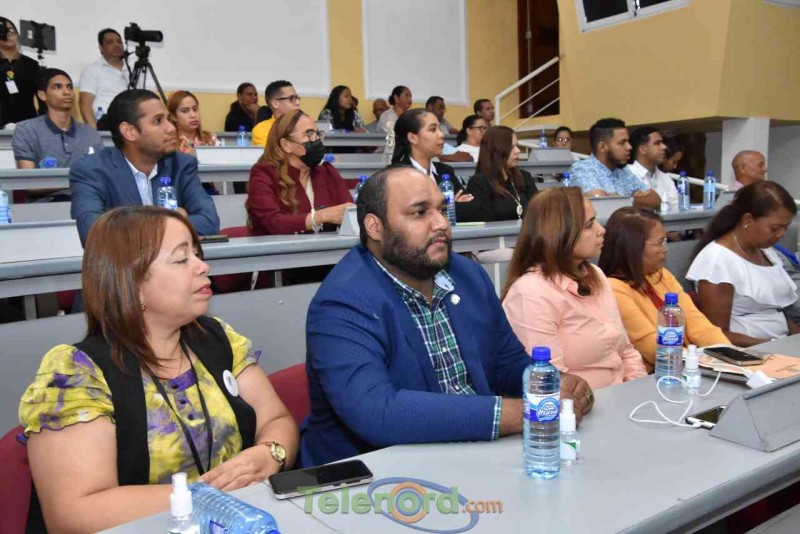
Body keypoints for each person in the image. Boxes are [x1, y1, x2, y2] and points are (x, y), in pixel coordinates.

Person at [19, 206, 298, 533]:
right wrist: (205, 497)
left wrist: (270, 454)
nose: (203, 266)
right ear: (133, 283)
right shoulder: (77, 372)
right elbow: (74, 513)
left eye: (197, 254)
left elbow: (276, 419)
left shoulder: (217, 339)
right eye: (181, 259)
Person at [301, 166, 594, 467]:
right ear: (375, 227)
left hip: (474, 456)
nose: (441, 223)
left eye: (442, 210)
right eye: (419, 213)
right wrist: (530, 411)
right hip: (379, 473)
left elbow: (506, 365)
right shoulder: (342, 302)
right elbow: (377, 412)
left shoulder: (467, 276)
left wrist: (551, 385)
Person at [502, 187, 647, 389]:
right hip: (580, 405)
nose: (601, 230)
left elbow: (626, 351)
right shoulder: (531, 292)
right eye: (589, 225)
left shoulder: (595, 275)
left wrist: (638, 391)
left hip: (622, 396)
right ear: (558, 234)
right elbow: (550, 383)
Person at [70, 89, 220, 245]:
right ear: (130, 132)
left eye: (169, 119)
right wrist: (170, 221)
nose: (171, 128)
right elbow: (91, 232)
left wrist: (132, 225)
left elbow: (209, 222)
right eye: (158, 121)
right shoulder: (92, 170)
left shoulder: (181, 165)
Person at [598, 207, 729, 371]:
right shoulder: (614, 289)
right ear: (634, 247)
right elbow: (653, 348)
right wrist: (701, 361)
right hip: (657, 373)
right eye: (660, 242)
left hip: (690, 363)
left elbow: (699, 325)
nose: (665, 249)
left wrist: (731, 356)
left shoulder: (661, 275)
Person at [687, 181, 799, 346]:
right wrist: (774, 345)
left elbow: (776, 311)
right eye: (775, 228)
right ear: (747, 219)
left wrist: (794, 341)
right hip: (747, 351)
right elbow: (716, 334)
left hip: (778, 343)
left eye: (785, 228)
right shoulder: (717, 261)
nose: (781, 234)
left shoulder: (765, 251)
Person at [247, 109, 353, 235]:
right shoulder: (264, 174)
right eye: (309, 134)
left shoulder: (327, 172)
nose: (316, 140)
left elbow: (351, 215)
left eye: (318, 134)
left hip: (327, 247)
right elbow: (272, 222)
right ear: (286, 145)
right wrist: (320, 217)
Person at [391, 108, 478, 221]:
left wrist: (445, 208)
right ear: (412, 138)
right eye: (433, 130)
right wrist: (449, 206)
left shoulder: (445, 171)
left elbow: (471, 207)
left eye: (440, 129)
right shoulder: (396, 176)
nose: (441, 135)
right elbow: (409, 216)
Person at [13, 68, 104, 168]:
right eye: (57, 87)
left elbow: (100, 172)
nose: (67, 92)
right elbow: (28, 175)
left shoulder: (90, 133)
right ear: (42, 95)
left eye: (70, 87)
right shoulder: (26, 130)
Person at [568, 118, 660, 210]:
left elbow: (656, 199)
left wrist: (629, 200)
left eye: (628, 141)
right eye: (622, 143)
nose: (629, 147)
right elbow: (601, 204)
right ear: (602, 147)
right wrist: (635, 200)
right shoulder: (582, 169)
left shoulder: (623, 171)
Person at [465, 125, 538, 222]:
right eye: (511, 147)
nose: (518, 151)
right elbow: (484, 221)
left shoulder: (524, 177)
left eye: (517, 145)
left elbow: (538, 210)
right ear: (495, 150)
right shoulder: (479, 182)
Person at [78, 29, 129, 130]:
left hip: (130, 126)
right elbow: (85, 104)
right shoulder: (92, 70)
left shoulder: (132, 70)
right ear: (101, 48)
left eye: (119, 42)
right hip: (105, 126)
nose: (116, 45)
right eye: (110, 42)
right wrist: (94, 132)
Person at [627, 126, 680, 212]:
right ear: (642, 149)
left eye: (662, 143)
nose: (664, 147)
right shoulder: (625, 176)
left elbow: (677, 211)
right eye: (657, 143)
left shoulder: (666, 178)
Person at [0, 16, 41, 129]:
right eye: (3, 31)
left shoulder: (31, 65)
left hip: (28, 126)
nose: (9, 34)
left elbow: (42, 99)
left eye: (11, 30)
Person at [167, 90, 220, 155]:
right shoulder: (169, 142)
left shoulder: (211, 139)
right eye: (185, 111)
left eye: (195, 109)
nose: (193, 115)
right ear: (173, 116)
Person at [251, 80, 301, 147]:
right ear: (275, 103)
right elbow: (270, 153)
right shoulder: (262, 130)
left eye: (297, 98)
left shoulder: (305, 124)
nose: (298, 102)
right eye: (292, 98)